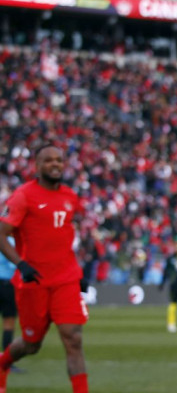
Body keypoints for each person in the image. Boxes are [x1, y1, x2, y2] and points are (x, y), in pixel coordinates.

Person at [0, 144, 89, 393]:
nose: (55, 164)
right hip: (34, 281)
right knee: (31, 344)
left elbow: (64, 236)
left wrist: (77, 273)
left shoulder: (71, 197)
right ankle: (3, 363)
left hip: (66, 280)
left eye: (59, 160)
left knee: (73, 339)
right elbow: (1, 233)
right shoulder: (23, 196)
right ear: (37, 166)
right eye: (49, 160)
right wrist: (21, 264)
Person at [0, 239, 21, 374]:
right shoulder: (12, 241)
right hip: (7, 284)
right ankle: (6, 363)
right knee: (9, 322)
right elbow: (16, 263)